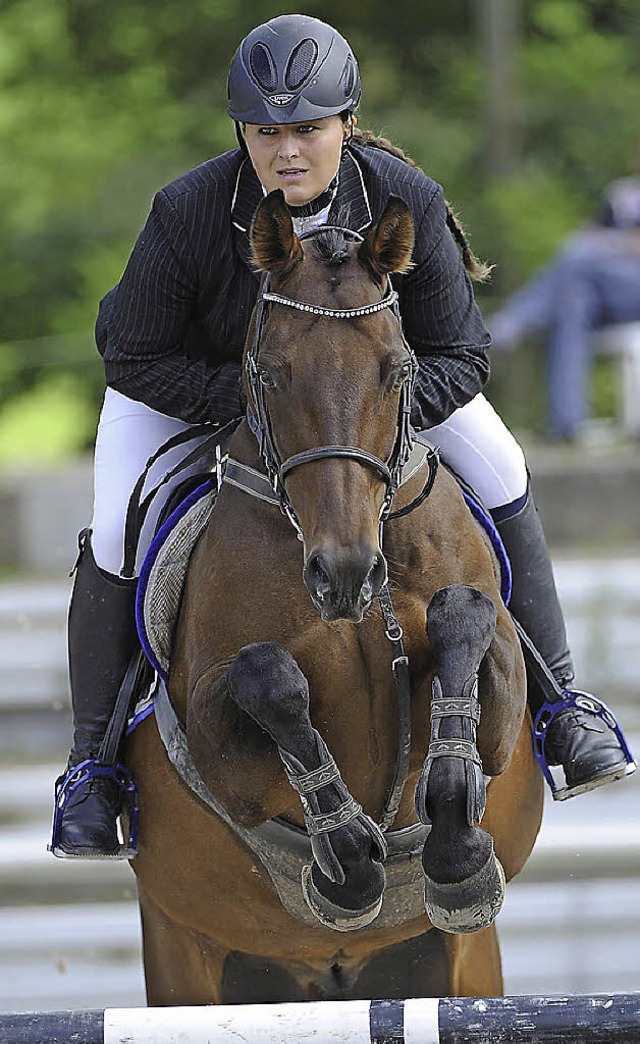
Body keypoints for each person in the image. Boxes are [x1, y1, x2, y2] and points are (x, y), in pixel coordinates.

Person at [51, 14, 635, 860]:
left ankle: (564, 707)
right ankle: (92, 769)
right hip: (194, 388)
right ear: (243, 134)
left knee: (503, 465)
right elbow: (131, 351)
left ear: (347, 125)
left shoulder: (405, 198)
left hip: (372, 398)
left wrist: (371, 408)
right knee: (112, 527)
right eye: (267, 132)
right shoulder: (185, 211)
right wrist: (252, 404)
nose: (287, 151)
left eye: (309, 130)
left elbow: (462, 354)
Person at [490, 173, 640, 440]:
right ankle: (567, 424)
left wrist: (609, 244)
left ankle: (508, 327)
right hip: (603, 290)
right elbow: (592, 229)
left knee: (578, 254)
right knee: (572, 303)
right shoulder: (622, 193)